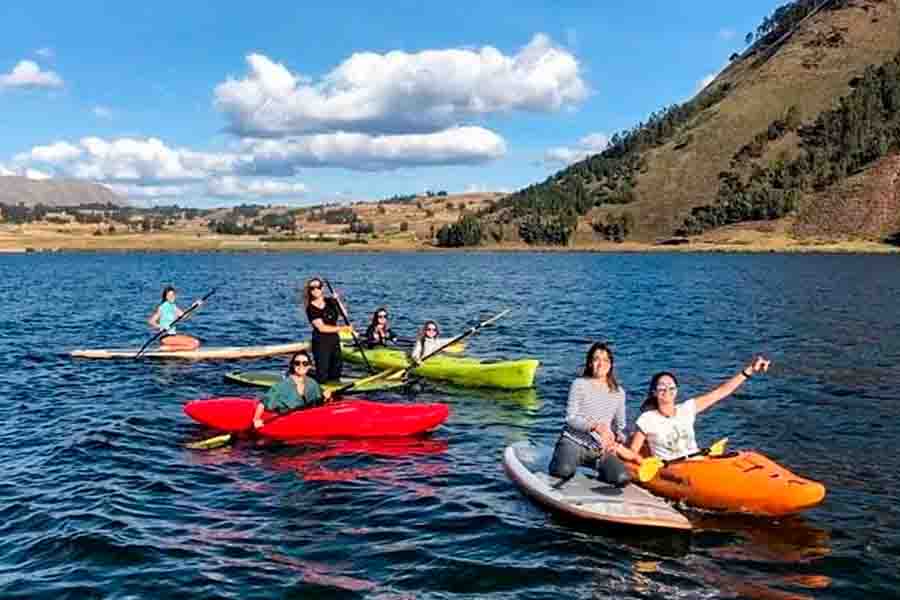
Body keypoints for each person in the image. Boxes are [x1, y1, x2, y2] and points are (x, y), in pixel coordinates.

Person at [629, 356, 772, 461]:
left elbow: (720, 392)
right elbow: (634, 452)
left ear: (677, 390)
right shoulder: (647, 419)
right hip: (673, 468)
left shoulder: (687, 409)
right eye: (661, 387)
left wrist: (749, 370)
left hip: (698, 462)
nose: (667, 390)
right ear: (654, 392)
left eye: (671, 387)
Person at [547, 342, 645, 486]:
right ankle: (561, 457)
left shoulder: (619, 392)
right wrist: (595, 426)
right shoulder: (579, 384)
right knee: (563, 471)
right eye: (596, 359)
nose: (601, 363)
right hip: (574, 441)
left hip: (599, 449)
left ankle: (600, 469)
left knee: (622, 478)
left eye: (605, 360)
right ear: (590, 363)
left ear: (610, 364)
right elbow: (570, 418)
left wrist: (617, 439)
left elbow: (620, 427)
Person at [253, 350, 332, 429]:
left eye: (305, 363)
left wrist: (327, 397)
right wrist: (256, 419)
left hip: (306, 419)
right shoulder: (283, 385)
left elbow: (320, 402)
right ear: (293, 365)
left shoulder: (312, 383)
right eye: (297, 363)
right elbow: (263, 403)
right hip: (287, 418)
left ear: (309, 366)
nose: (301, 366)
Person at [304, 277, 353, 383]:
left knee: (336, 371)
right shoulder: (310, 308)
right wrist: (343, 328)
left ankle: (335, 392)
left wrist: (337, 300)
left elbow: (344, 314)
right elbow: (321, 328)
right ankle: (304, 372)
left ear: (322, 288)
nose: (316, 290)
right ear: (309, 290)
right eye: (312, 288)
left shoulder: (330, 301)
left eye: (318, 287)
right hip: (321, 341)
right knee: (322, 376)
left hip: (334, 340)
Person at [147, 285, 202, 350]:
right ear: (166, 297)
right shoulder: (162, 307)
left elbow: (184, 316)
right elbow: (151, 321)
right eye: (169, 296)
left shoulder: (173, 306)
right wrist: (161, 326)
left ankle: (170, 348)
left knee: (196, 342)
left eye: (173, 295)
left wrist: (194, 306)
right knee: (192, 345)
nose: (172, 297)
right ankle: (167, 348)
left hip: (173, 335)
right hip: (165, 337)